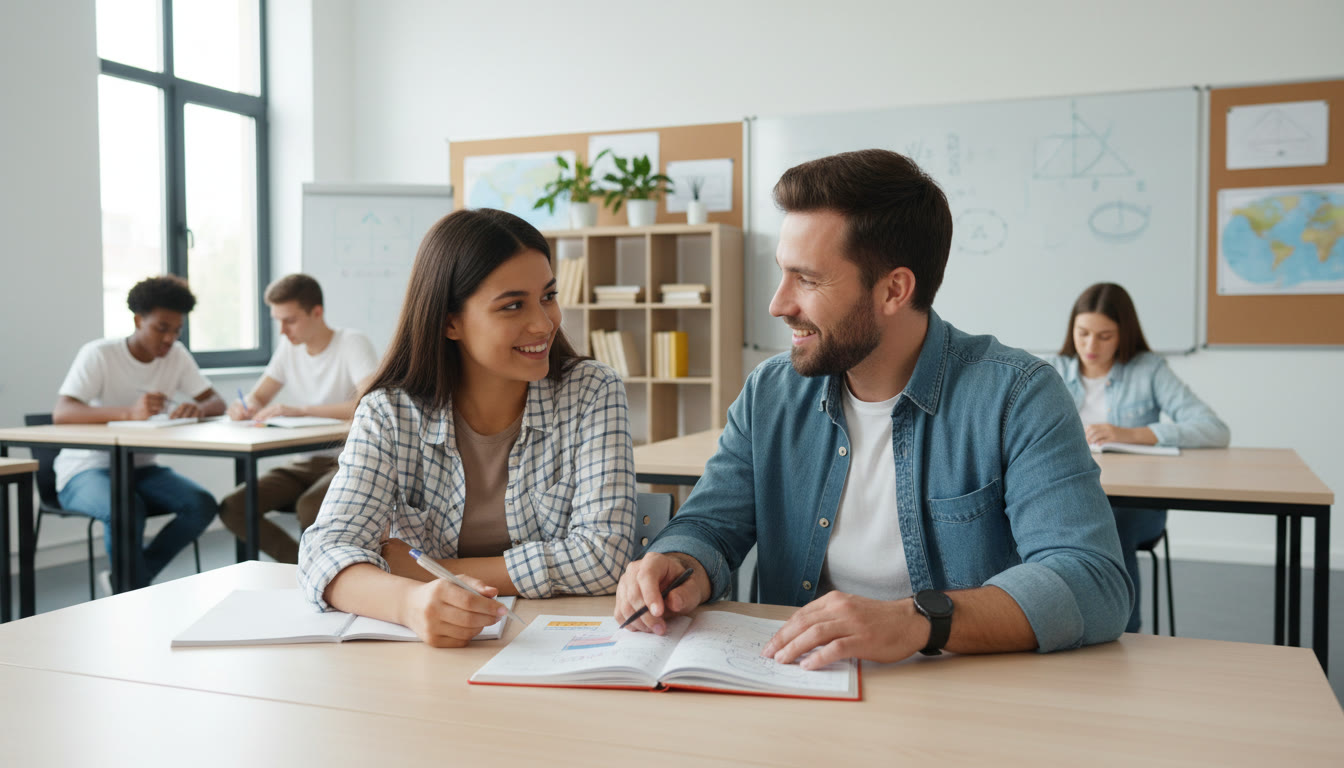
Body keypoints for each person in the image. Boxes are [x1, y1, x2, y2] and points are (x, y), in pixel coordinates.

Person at [615, 149, 1131, 669]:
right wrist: (679, 563)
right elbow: (711, 528)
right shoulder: (771, 392)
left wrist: (918, 621)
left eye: (808, 280)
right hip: (799, 686)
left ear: (894, 290)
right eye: (782, 274)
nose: (778, 304)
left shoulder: (1017, 396)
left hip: (961, 698)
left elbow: (1091, 579)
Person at [298, 208, 637, 647]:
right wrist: (409, 604)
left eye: (548, 296)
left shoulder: (592, 391)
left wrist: (420, 567)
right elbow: (324, 553)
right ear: (449, 321)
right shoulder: (389, 413)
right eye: (513, 305)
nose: (544, 322)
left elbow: (603, 557)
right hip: (433, 653)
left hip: (554, 644)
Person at [1043, 282, 1230, 632]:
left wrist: (1134, 434)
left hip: (1135, 506)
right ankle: (1049, 624)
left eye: (1104, 336)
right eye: (1082, 334)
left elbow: (1215, 429)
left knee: (1112, 522)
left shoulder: (1149, 370)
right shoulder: (1051, 371)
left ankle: (1123, 632)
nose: (1090, 346)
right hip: (1070, 494)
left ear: (1124, 334)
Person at [53, 275, 226, 590]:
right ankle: (131, 587)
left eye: (177, 330)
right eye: (162, 328)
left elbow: (216, 401)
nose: (169, 338)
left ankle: (129, 582)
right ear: (138, 320)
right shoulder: (100, 354)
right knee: (126, 507)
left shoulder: (177, 356)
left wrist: (198, 409)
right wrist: (129, 413)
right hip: (84, 471)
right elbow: (63, 413)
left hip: (141, 469)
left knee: (202, 505)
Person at [218, 274, 378, 563]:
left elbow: (369, 402)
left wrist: (302, 410)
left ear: (317, 312)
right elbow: (258, 397)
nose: (282, 330)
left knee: (310, 507)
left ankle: (322, 574)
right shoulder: (289, 349)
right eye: (277, 320)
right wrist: (244, 407)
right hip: (302, 462)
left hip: (344, 459)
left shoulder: (351, 342)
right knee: (234, 507)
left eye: (289, 320)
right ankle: (302, 568)